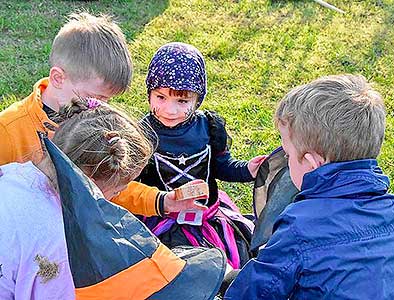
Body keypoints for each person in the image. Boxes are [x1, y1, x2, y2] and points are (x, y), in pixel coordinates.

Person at [224, 74, 394, 299]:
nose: (286, 161)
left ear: (312, 163)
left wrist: (226, 277)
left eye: (288, 156)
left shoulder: (300, 224)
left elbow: (253, 293)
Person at [0, 97, 226, 300]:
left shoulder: (13, 173)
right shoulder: (65, 244)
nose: (116, 198)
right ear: (89, 184)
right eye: (117, 192)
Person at [0, 12, 202, 218]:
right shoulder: (7, 130)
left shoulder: (94, 119)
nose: (101, 107)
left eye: (108, 100)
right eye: (95, 97)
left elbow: (109, 184)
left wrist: (160, 200)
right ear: (58, 78)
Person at [138, 42, 266, 269]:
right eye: (160, 97)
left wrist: (247, 170)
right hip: (160, 219)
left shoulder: (209, 128)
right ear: (149, 92)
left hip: (207, 216)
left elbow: (221, 166)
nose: (170, 109)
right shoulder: (141, 133)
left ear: (198, 99)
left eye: (182, 101)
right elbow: (133, 184)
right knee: (169, 271)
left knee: (223, 265)